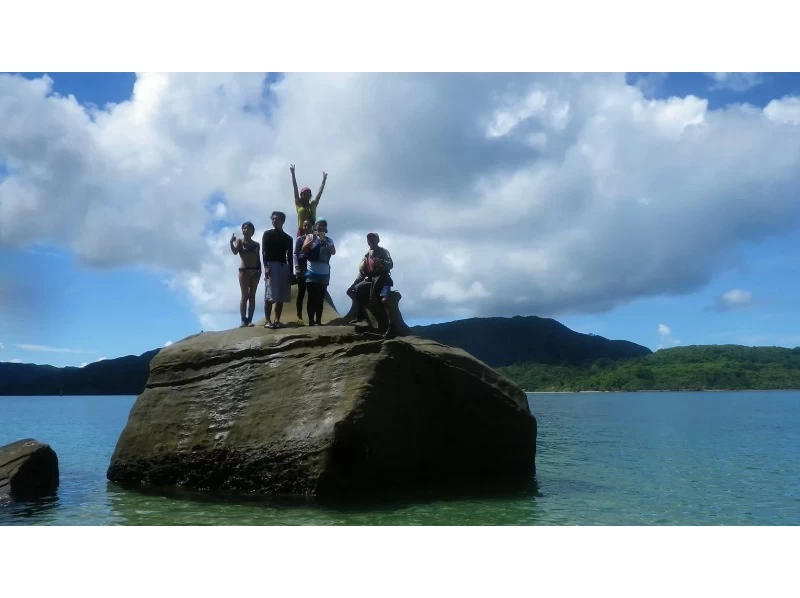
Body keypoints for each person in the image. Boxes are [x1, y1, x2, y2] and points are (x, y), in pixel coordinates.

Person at [347, 232, 396, 338]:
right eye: (369, 239)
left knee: (384, 300)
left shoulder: (383, 251)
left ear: (377, 240)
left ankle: (392, 325)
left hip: (383, 280)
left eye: (373, 239)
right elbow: (361, 273)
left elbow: (391, 264)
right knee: (358, 289)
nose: (371, 241)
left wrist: (381, 262)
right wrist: (352, 285)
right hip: (372, 280)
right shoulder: (366, 255)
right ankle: (361, 316)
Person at [261, 211, 294, 329]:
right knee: (270, 295)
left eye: (277, 219)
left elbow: (290, 256)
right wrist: (265, 266)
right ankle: (267, 320)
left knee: (280, 296)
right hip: (271, 265)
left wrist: (291, 272)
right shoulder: (267, 234)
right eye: (273, 219)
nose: (274, 221)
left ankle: (277, 320)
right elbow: (264, 251)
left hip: (283, 266)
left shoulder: (288, 238)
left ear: (282, 221)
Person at [301, 218, 336, 326]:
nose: (320, 227)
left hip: (324, 273)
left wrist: (325, 242)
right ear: (315, 226)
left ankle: (318, 320)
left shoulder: (329, 240)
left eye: (323, 225)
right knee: (311, 297)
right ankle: (311, 320)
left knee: (320, 298)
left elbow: (333, 252)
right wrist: (314, 239)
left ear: (326, 228)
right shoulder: (310, 236)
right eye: (318, 225)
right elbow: (304, 248)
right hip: (312, 272)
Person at [229, 221, 261, 327]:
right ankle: (243, 319)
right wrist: (231, 242)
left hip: (255, 270)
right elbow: (235, 252)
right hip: (244, 271)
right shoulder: (240, 241)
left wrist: (260, 271)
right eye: (244, 228)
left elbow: (258, 259)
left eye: (248, 228)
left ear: (252, 230)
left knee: (252, 296)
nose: (246, 230)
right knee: (244, 296)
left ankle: (250, 320)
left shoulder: (257, 244)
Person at [290, 164, 327, 236]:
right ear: (301, 195)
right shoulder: (299, 204)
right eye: (305, 193)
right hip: (301, 232)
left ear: (310, 195)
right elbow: (295, 188)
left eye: (308, 193)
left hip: (312, 232)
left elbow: (319, 193)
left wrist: (324, 180)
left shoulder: (313, 205)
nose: (307, 195)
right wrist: (293, 174)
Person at [293, 219, 313, 325]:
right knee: (301, 293)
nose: (306, 227)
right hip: (301, 268)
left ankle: (310, 318)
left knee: (311, 294)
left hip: (312, 269)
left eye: (308, 225)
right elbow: (295, 254)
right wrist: (296, 267)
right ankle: (299, 316)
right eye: (305, 226)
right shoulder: (299, 239)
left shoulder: (315, 239)